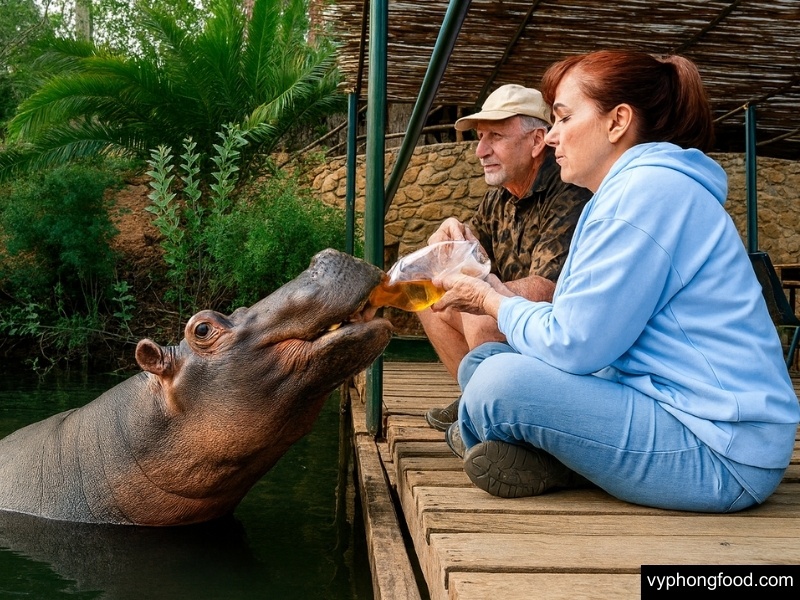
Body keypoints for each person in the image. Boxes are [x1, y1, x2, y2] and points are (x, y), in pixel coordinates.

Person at [430, 49, 800, 512]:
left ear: (617, 121)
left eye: (563, 118)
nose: (554, 137)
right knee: (482, 362)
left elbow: (576, 344)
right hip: (667, 408)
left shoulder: (645, 195)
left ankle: (536, 448)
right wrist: (498, 295)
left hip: (721, 453)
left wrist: (490, 299)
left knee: (496, 385)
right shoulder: (632, 190)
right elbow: (586, 328)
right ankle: (557, 456)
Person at [419, 84, 592, 432]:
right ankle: (475, 397)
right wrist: (447, 240)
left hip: (564, 346)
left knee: (483, 317)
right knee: (429, 295)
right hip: (519, 331)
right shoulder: (499, 197)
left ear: (537, 141)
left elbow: (548, 290)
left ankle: (498, 415)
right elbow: (470, 258)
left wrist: (482, 295)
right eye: (480, 138)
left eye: (495, 136)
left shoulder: (568, 191)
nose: (481, 151)